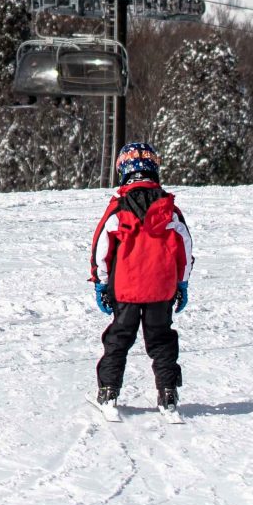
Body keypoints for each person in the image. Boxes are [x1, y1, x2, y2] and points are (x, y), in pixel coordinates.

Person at [88, 142, 193, 420]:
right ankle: (168, 391)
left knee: (119, 339)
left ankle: (109, 390)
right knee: (161, 339)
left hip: (126, 289)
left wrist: (101, 283)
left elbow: (101, 249)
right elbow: (186, 247)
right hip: (162, 288)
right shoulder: (168, 208)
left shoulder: (119, 208)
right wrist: (182, 283)